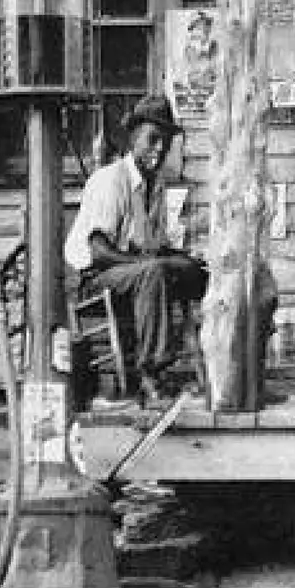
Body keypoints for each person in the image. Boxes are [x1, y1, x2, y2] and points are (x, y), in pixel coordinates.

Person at [62, 94, 210, 405]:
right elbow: (99, 251)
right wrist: (147, 260)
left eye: (166, 142)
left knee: (198, 272)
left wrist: (180, 258)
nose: (160, 149)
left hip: (131, 270)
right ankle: (151, 375)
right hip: (94, 276)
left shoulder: (153, 185)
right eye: (153, 139)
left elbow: (151, 244)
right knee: (154, 271)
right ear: (133, 137)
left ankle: (214, 366)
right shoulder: (110, 180)